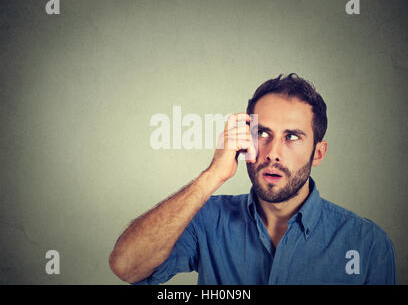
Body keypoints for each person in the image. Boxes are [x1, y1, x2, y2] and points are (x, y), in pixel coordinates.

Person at [109, 74, 396, 284]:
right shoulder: (208, 220)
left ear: (318, 153)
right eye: (263, 133)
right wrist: (211, 176)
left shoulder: (366, 244)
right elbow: (126, 265)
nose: (273, 153)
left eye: (292, 137)